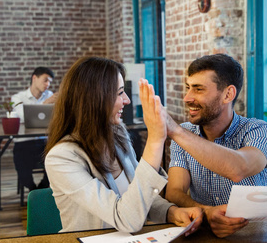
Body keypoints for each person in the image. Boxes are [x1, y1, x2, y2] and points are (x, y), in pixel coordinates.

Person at [44, 57, 202, 233]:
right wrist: (155, 140)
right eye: (119, 93)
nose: (126, 100)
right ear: (95, 98)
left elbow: (139, 194)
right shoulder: (61, 158)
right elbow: (126, 219)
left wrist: (171, 212)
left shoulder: (117, 134)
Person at [163, 54, 267, 238]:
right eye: (188, 88)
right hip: (203, 233)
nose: (187, 98)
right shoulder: (185, 133)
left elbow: (238, 167)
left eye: (198, 89)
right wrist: (206, 211)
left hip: (253, 235)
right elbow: (174, 192)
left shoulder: (259, 130)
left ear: (228, 94)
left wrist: (174, 130)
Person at [11, 67, 58, 191]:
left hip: (44, 142)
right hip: (24, 144)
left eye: (50, 82)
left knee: (58, 160)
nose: (48, 84)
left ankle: (41, 189)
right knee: (22, 167)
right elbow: (24, 117)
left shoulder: (50, 96)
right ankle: (33, 190)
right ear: (34, 78)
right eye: (45, 80)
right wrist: (46, 103)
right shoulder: (18, 98)